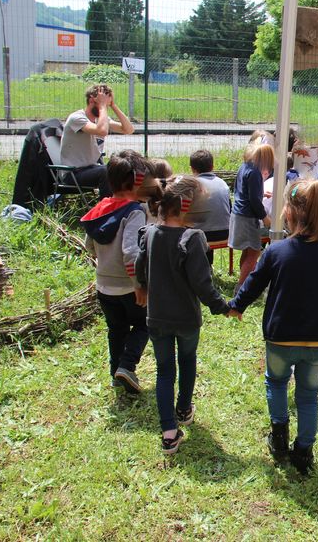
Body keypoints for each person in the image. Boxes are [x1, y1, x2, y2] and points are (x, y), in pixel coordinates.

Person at [228, 179, 318, 475]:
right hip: (316, 340)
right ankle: (303, 452)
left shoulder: (275, 251)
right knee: (309, 396)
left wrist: (236, 306)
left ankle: (279, 438)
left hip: (280, 338)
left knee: (277, 383)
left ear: (289, 213)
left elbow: (253, 285)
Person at [135, 175, 231, 454]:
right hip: (187, 319)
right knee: (187, 360)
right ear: (188, 205)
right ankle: (184, 407)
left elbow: (140, 268)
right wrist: (222, 306)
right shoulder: (193, 238)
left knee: (164, 371)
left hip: (157, 317)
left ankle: (169, 432)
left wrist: (141, 286)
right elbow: (203, 284)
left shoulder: (149, 233)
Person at [80, 150, 153, 394]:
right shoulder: (135, 211)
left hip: (104, 286)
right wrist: (139, 284)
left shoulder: (101, 207)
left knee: (116, 329)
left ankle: (115, 374)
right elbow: (131, 252)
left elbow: (89, 246)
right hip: (127, 286)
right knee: (145, 325)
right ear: (136, 181)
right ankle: (127, 366)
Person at [60, 84, 134, 198]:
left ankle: (124, 205)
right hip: (73, 174)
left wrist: (113, 105)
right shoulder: (77, 118)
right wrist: (103, 106)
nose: (105, 107)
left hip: (92, 168)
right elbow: (102, 131)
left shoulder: (101, 120)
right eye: (101, 102)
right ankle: (106, 211)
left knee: (123, 167)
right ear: (91, 100)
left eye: (106, 104)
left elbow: (128, 129)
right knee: (106, 172)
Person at [230, 143, 274, 292]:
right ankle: (242, 287)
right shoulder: (255, 173)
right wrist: (265, 217)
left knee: (247, 250)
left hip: (238, 214)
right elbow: (254, 201)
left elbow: (243, 191)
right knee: (254, 251)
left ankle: (243, 281)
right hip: (248, 217)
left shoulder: (244, 167)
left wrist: (261, 193)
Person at [187, 149, 231, 267]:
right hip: (225, 232)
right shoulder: (222, 183)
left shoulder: (192, 184)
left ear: (192, 168)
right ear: (212, 166)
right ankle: (207, 266)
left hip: (202, 234)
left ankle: (197, 268)